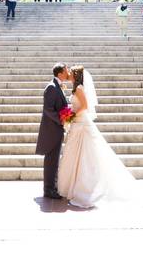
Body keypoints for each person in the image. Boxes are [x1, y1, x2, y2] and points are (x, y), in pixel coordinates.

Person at [57, 66, 136, 207]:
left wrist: (71, 116)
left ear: (76, 75)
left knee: (85, 157)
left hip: (81, 124)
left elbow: (85, 106)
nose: (69, 74)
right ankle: (73, 186)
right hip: (77, 124)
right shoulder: (76, 88)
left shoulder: (80, 88)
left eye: (71, 73)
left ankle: (84, 188)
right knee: (74, 155)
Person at [36, 63, 71, 199]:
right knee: (51, 160)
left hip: (57, 130)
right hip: (52, 130)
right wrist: (62, 120)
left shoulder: (58, 86)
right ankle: (49, 189)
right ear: (60, 73)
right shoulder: (51, 87)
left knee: (54, 160)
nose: (68, 72)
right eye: (66, 70)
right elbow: (48, 110)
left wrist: (67, 117)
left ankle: (52, 187)